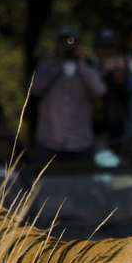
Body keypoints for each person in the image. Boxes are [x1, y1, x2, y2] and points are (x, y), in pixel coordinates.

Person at [31, 26, 106, 163]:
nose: (68, 47)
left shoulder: (87, 68)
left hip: (80, 142)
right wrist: (58, 64)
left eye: (72, 43)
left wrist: (80, 63)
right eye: (64, 43)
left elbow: (99, 90)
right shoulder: (46, 67)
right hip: (50, 141)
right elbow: (35, 89)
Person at [93, 26, 129, 148]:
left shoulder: (125, 67)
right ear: (96, 48)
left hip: (116, 127)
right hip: (91, 128)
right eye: (102, 47)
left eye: (110, 47)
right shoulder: (87, 68)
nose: (106, 51)